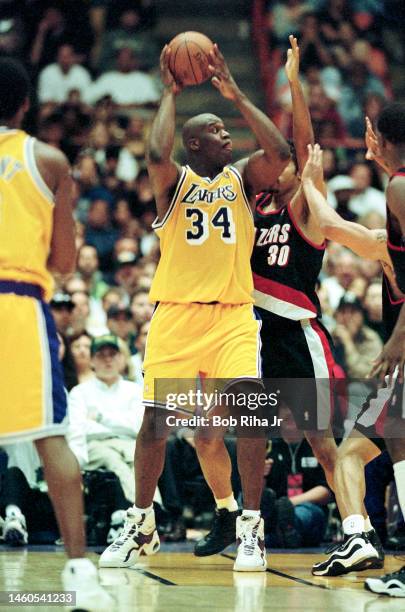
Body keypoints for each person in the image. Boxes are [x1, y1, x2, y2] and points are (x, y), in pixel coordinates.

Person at [192, 36, 387, 565]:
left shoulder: (304, 209)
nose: (272, 165)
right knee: (225, 431)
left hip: (296, 334)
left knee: (323, 443)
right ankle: (234, 515)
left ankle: (358, 530)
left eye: (283, 163)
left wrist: (294, 85)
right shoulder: (249, 203)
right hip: (246, 332)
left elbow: (301, 149)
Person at [99, 42, 291, 572]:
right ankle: (141, 526)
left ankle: (250, 528)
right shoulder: (175, 183)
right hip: (177, 315)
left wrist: (236, 95)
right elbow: (156, 154)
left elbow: (281, 156)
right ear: (195, 143)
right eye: (217, 130)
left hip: (231, 315)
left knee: (250, 416)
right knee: (154, 424)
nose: (227, 134)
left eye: (227, 129)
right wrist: (169, 91)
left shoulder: (242, 180)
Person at [0, 58, 112, 609]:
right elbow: (65, 261)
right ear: (26, 105)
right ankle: (76, 569)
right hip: (17, 303)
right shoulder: (46, 159)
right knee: (50, 435)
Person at [309, 105, 405, 595]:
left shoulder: (398, 194)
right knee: (350, 454)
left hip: (402, 361)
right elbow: (331, 224)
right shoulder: (390, 238)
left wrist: (309, 177)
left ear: (382, 139)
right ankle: (358, 537)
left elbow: (326, 223)